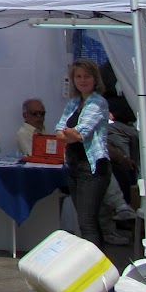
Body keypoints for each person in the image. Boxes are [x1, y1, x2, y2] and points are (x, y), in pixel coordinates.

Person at [58, 59, 112, 250]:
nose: (82, 80)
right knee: (85, 221)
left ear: (95, 79)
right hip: (74, 165)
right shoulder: (73, 103)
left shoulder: (98, 102)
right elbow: (59, 131)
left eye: (86, 76)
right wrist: (68, 133)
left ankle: (94, 270)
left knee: (87, 222)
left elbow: (80, 133)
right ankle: (96, 265)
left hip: (92, 168)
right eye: (78, 76)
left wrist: (69, 133)